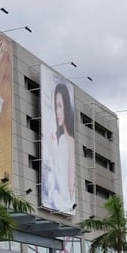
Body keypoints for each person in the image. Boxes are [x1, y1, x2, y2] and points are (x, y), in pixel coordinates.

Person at [42, 82, 76, 212]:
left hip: (62, 203)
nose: (57, 112)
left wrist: (53, 152)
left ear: (66, 107)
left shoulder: (65, 141)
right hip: (63, 205)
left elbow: (65, 183)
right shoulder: (64, 140)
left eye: (60, 106)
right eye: (55, 106)